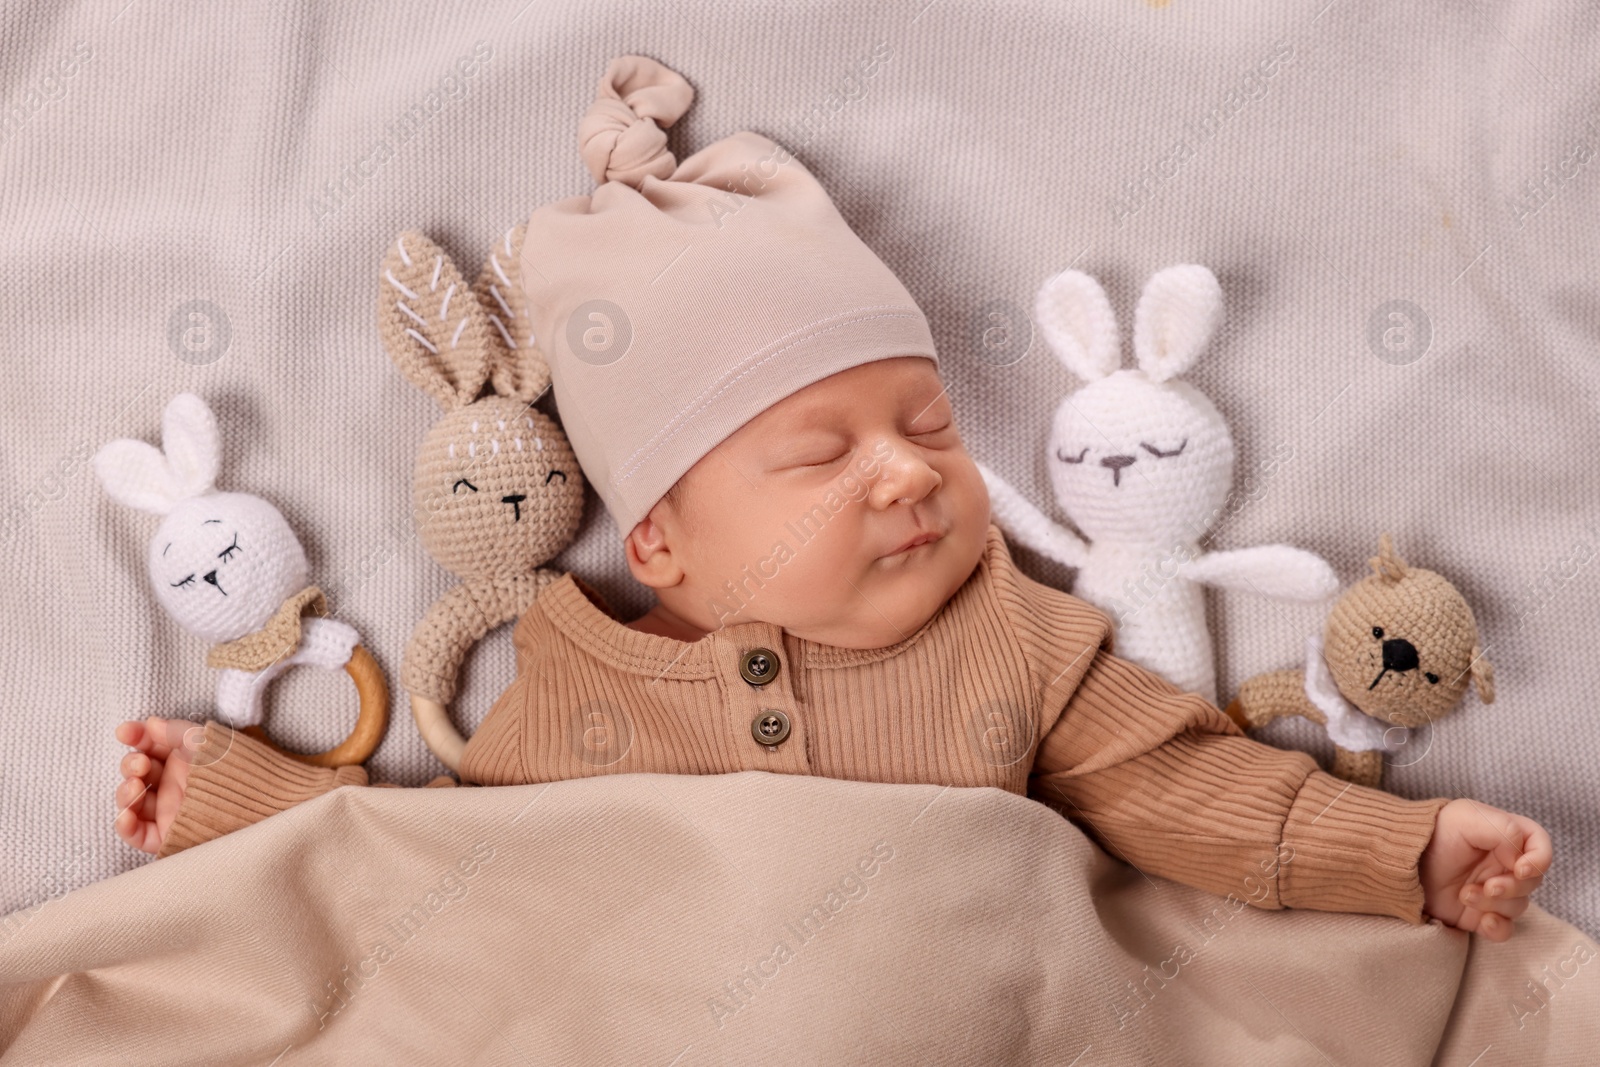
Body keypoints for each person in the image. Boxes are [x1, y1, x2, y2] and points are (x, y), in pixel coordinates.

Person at [115, 55, 1550, 941]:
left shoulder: (1023, 649)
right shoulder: (571, 688)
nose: (908, 467)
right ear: (659, 538)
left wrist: (1403, 855)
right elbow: (440, 885)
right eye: (818, 452)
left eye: (928, 422)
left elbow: (1190, 795)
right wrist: (245, 804)